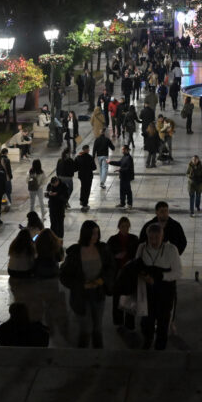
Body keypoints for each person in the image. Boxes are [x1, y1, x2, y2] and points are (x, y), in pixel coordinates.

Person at [60, 220, 116, 348]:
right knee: (85, 329)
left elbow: (111, 267)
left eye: (97, 233)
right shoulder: (75, 253)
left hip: (98, 293)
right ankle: (83, 356)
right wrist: (82, 285)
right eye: (92, 234)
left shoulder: (102, 249)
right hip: (81, 296)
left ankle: (98, 355)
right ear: (85, 234)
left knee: (97, 328)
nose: (95, 237)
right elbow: (64, 276)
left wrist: (103, 280)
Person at [134, 222, 182, 350]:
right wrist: (144, 276)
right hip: (147, 291)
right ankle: (148, 339)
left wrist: (161, 277)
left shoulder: (171, 250)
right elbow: (136, 267)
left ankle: (160, 347)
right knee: (146, 320)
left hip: (165, 291)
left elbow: (178, 273)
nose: (154, 241)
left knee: (163, 321)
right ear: (147, 236)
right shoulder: (141, 248)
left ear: (163, 236)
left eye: (157, 237)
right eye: (151, 238)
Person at [107, 217, 139, 329]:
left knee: (130, 298)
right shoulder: (113, 240)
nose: (125, 228)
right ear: (119, 227)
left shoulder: (134, 239)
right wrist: (115, 256)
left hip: (130, 274)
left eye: (126, 226)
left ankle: (130, 323)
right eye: (122, 226)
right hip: (118, 274)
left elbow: (138, 255)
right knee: (117, 299)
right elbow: (107, 255)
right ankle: (118, 321)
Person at [109, 146, 135, 211]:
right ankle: (122, 203)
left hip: (127, 177)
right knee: (122, 190)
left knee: (128, 191)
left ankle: (129, 204)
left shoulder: (129, 158)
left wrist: (120, 170)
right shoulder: (124, 157)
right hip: (122, 177)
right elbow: (119, 163)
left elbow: (128, 168)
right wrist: (110, 162)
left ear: (126, 150)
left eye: (122, 149)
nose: (121, 150)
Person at [74, 145, 95, 211]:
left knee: (83, 187)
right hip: (88, 176)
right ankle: (85, 204)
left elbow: (75, 168)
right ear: (86, 150)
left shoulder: (78, 157)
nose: (89, 150)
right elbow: (94, 167)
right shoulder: (90, 157)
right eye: (88, 149)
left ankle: (82, 200)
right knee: (87, 189)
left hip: (81, 176)